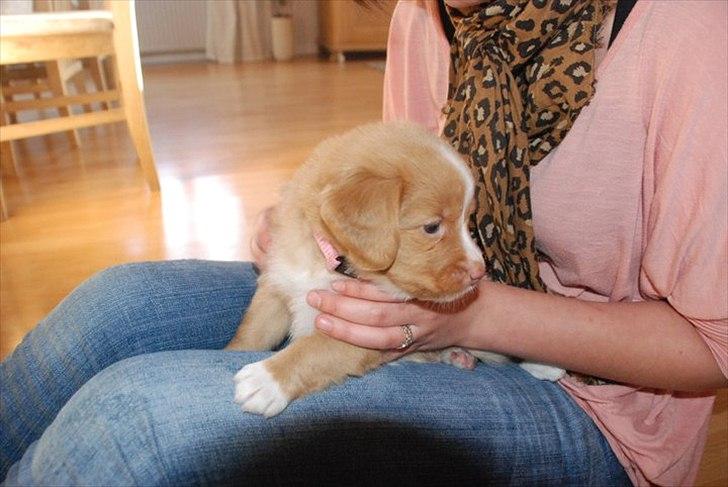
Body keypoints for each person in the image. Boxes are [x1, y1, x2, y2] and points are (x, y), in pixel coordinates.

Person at [1, 0, 725, 485]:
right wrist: (308, 228)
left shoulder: (693, 33)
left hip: (602, 405)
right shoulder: (427, 13)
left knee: (136, 420)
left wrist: (472, 316)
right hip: (420, 302)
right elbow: (390, 193)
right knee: (113, 308)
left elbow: (713, 347)